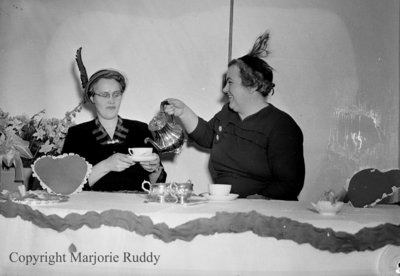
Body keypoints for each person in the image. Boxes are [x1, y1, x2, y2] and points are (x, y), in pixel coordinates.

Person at [164, 31, 305, 200]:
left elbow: (290, 184)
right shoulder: (227, 113)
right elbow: (208, 136)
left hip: (263, 209)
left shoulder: (281, 126)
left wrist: (260, 199)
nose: (224, 90)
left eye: (230, 82)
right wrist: (184, 112)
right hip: (228, 203)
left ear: (252, 86)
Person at [62, 48, 166, 191]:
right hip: (93, 209)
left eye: (116, 94)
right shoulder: (77, 134)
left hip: (136, 208)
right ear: (92, 97)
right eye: (104, 95)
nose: (111, 100)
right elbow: (68, 185)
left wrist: (154, 168)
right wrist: (106, 165)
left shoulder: (141, 130)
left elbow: (156, 183)